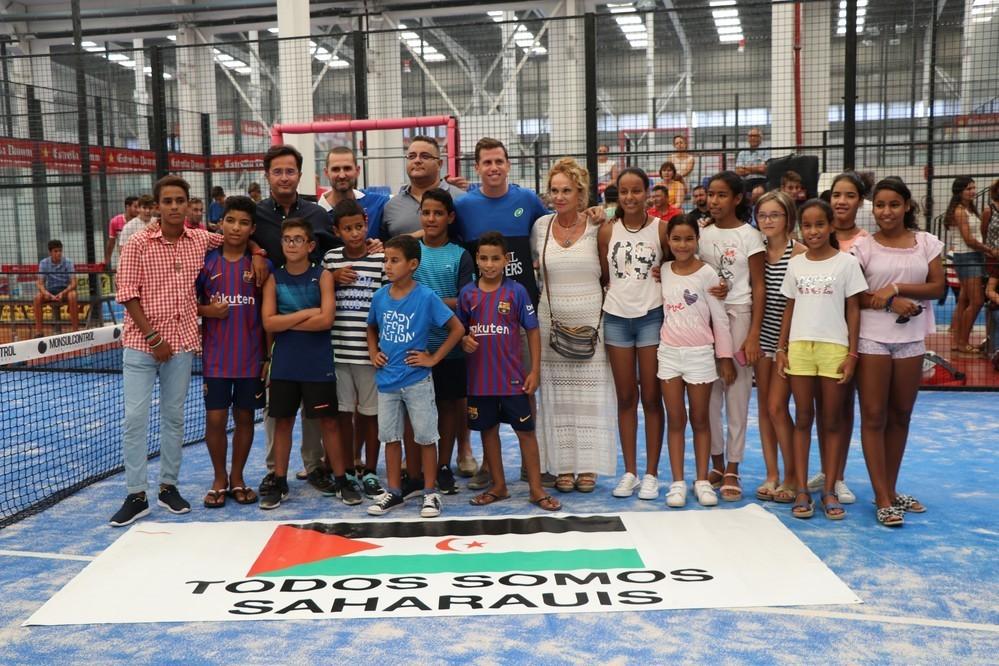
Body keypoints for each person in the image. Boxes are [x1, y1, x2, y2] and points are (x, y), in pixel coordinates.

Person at [110, 175, 267, 527]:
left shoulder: (200, 238)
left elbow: (236, 236)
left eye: (180, 200)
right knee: (135, 419)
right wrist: (153, 338)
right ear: (157, 206)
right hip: (142, 345)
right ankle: (136, 494)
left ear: (187, 203)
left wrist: (258, 251)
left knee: (175, 419)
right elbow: (127, 294)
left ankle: (168, 487)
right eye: (167, 201)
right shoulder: (137, 243)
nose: (174, 207)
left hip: (181, 346)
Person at [853, 178, 944, 526]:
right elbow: (855, 293)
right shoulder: (863, 247)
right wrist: (891, 301)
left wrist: (895, 289)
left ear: (906, 205)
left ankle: (891, 490)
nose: (886, 212)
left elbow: (937, 288)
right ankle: (881, 497)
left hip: (911, 340)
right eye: (879, 205)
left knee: (901, 415)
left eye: (893, 204)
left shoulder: (927, 243)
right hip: (872, 338)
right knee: (874, 416)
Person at [253, 144, 339, 497]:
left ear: (300, 175)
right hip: (270, 310)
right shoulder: (256, 214)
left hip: (312, 319)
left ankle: (316, 465)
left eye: (290, 171)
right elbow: (234, 236)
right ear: (268, 175)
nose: (284, 177)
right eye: (278, 171)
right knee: (280, 410)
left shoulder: (318, 214)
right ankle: (277, 471)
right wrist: (255, 251)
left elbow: (332, 251)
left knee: (317, 410)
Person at [776, 199, 867, 521]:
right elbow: (789, 306)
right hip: (799, 349)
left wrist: (852, 353)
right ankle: (802, 488)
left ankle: (828, 489)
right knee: (803, 418)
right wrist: (781, 347)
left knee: (831, 422)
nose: (813, 231)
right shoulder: (796, 263)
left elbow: (854, 310)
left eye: (819, 225)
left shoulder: (847, 263)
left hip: (834, 349)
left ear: (831, 226)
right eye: (807, 225)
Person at [260, 218, 359, 509]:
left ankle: (341, 480)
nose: (292, 244)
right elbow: (268, 322)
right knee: (283, 423)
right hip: (285, 365)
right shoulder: (274, 279)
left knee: (329, 422)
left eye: (298, 239)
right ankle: (279, 481)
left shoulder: (324, 276)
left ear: (310, 245)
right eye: (287, 239)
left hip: (318, 363)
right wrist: (307, 314)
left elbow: (326, 320)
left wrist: (287, 322)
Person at [458, 232, 561, 511]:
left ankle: (536, 489)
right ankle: (499, 486)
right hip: (480, 382)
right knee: (488, 432)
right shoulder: (468, 294)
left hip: (513, 380)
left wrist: (534, 370)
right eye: (483, 258)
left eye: (495, 258)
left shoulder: (516, 291)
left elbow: (532, 330)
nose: (489, 264)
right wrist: (463, 340)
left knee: (525, 432)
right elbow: (460, 330)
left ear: (506, 260)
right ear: (477, 259)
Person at [533, 157, 616, 493]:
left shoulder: (600, 225)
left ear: (580, 193)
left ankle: (589, 467)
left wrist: (605, 213)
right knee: (557, 397)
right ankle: (562, 466)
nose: (559, 196)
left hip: (591, 323)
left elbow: (609, 274)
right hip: (550, 321)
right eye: (554, 190)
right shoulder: (540, 226)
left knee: (591, 397)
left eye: (566, 190)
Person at [366, 235, 464, 517]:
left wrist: (432, 358)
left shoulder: (426, 296)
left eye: (394, 260)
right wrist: (374, 352)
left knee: (424, 436)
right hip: (386, 381)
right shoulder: (380, 296)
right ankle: (394, 492)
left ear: (412, 264)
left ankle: (431, 493)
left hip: (417, 380)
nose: (388, 265)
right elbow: (371, 327)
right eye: (385, 259)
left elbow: (456, 328)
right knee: (391, 437)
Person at [597, 167, 667, 500]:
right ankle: (630, 472)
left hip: (652, 317)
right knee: (626, 398)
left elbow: (675, 268)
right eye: (623, 191)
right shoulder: (607, 232)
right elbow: (604, 275)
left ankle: (652, 473)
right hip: (616, 319)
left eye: (636, 190)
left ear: (647, 192)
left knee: (652, 398)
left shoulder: (662, 230)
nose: (630, 197)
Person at [195, 195, 270, 508]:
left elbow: (268, 313)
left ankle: (237, 478)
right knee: (214, 420)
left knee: (245, 419)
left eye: (243, 223)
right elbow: (190, 305)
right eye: (230, 221)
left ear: (252, 228)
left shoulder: (261, 266)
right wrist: (209, 311)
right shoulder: (206, 262)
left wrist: (267, 357)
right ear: (220, 223)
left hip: (251, 360)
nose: (236, 228)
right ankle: (219, 479)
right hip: (215, 360)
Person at [659, 216, 736, 508]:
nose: (682, 244)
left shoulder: (707, 274)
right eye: (676, 239)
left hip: (701, 355)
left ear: (697, 240)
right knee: (676, 419)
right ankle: (677, 482)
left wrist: (725, 358)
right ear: (668, 241)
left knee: (700, 419)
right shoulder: (663, 271)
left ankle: (702, 480)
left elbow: (720, 319)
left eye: (688, 239)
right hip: (668, 355)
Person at [699, 171, 766, 501]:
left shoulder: (750, 236)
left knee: (737, 395)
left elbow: (759, 285)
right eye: (711, 194)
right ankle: (716, 463)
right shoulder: (700, 235)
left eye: (722, 195)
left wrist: (753, 334)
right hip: (706, 321)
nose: (714, 201)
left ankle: (734, 467)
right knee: (708, 394)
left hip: (739, 316)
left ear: (738, 199)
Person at [806, 171, 871, 501]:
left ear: (860, 201)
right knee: (823, 408)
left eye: (849, 195)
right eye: (837, 195)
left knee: (844, 408)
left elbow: (861, 296)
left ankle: (839, 474)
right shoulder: (810, 240)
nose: (842, 201)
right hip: (819, 336)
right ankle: (829, 470)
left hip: (856, 337)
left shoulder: (866, 242)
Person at [412, 189, 474, 495]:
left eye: (438, 213)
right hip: (413, 348)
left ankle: (444, 464)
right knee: (417, 408)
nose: (431, 218)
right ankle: (417, 469)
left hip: (449, 348)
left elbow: (464, 301)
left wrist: (426, 301)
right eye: (426, 212)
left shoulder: (460, 255)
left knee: (449, 407)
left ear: (449, 217)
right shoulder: (410, 250)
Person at [323, 199, 386, 499]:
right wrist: (332, 279)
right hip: (338, 353)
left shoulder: (380, 260)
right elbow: (319, 294)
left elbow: (388, 302)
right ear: (337, 230)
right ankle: (348, 468)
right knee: (343, 414)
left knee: (371, 414)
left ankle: (371, 470)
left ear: (366, 223)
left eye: (359, 227)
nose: (354, 233)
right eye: (347, 229)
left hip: (370, 355)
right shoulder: (330, 260)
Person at [753, 191, 804, 504]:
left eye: (775, 215)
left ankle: (792, 476)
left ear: (788, 218)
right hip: (763, 338)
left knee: (777, 407)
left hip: (789, 341)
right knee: (764, 409)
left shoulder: (798, 253)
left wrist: (784, 344)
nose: (768, 221)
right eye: (762, 215)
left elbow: (794, 303)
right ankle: (772, 474)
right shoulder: (756, 251)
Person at [381, 135, 467, 239]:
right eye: (412, 156)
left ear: (439, 164)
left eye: (425, 156)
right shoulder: (391, 206)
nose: (417, 160)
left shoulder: (460, 199)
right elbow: (384, 246)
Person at [946, 177, 987, 355]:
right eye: (969, 188)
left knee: (963, 300)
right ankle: (963, 342)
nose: (973, 191)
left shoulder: (969, 209)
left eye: (974, 188)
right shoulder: (960, 211)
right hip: (967, 256)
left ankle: (957, 342)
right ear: (959, 191)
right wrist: (990, 250)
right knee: (977, 301)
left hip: (972, 255)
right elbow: (968, 240)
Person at [319, 146, 390, 240]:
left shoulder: (378, 203)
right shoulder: (316, 214)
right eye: (335, 169)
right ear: (326, 172)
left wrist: (382, 247)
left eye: (347, 168)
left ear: (357, 171)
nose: (342, 175)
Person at [33, 239, 78, 335]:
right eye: (56, 251)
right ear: (50, 252)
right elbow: (40, 283)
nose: (59, 253)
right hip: (50, 291)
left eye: (60, 251)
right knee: (37, 298)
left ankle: (75, 331)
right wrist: (46, 293)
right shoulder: (44, 263)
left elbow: (74, 283)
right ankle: (39, 332)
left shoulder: (68, 262)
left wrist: (63, 293)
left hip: (65, 290)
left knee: (73, 295)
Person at [103, 196, 140, 267]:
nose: (138, 210)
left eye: (139, 207)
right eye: (135, 207)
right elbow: (111, 242)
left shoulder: (141, 221)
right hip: (124, 259)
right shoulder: (115, 221)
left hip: (141, 258)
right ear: (127, 207)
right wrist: (107, 259)